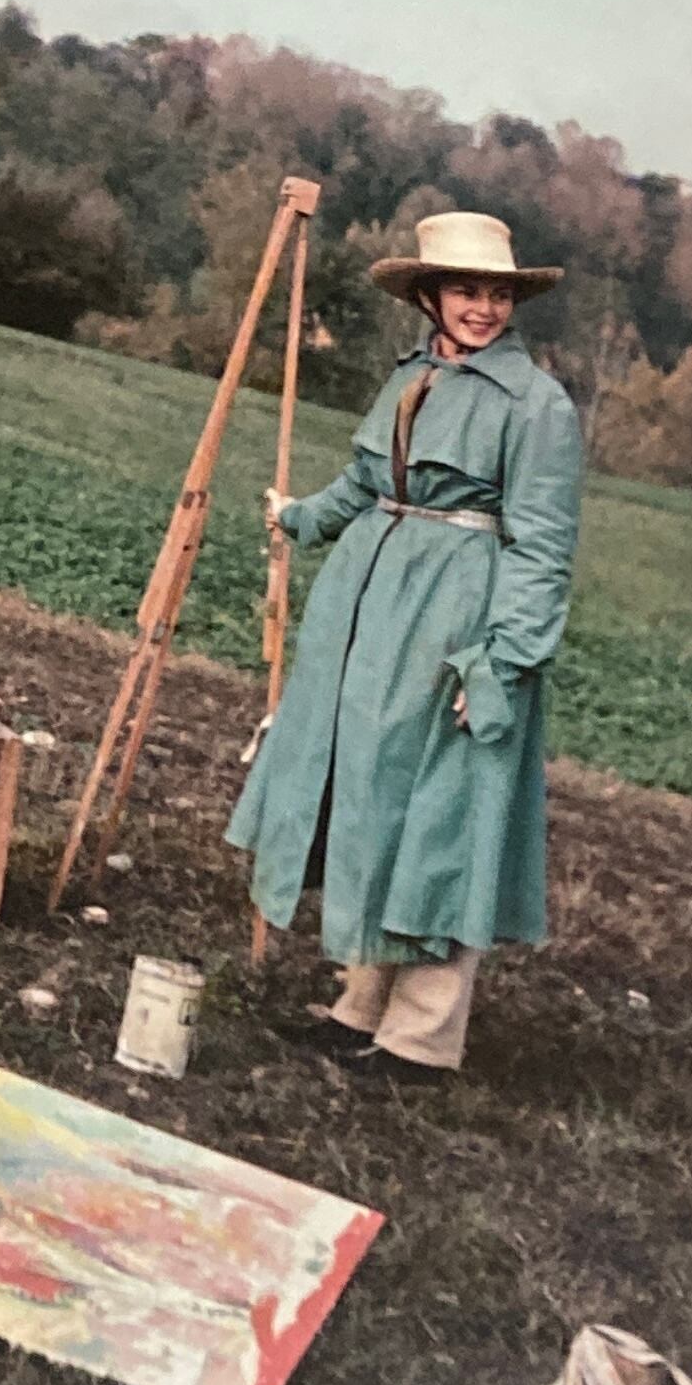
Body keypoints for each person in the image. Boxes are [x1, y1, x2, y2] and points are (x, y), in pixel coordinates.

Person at [224, 212, 584, 1086]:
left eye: (497, 294)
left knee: (444, 812)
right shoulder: (411, 376)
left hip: (458, 620)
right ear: (429, 295)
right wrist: (302, 519)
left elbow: (543, 550)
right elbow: (367, 479)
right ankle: (361, 1007)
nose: (483, 308)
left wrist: (502, 660)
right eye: (465, 290)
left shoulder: (537, 406)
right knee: (376, 796)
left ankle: (421, 1037)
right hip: (371, 610)